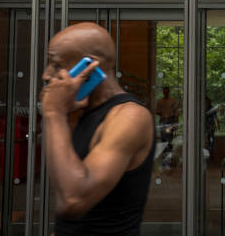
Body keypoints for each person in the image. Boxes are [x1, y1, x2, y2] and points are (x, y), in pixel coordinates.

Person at [40, 22, 155, 236]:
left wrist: (54, 115)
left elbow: (73, 201)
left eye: (55, 65)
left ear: (89, 66)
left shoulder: (129, 117)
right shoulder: (77, 112)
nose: (47, 75)